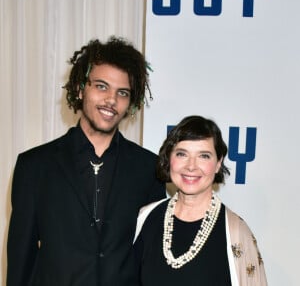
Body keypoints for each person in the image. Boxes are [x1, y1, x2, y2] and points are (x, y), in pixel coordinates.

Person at [7, 36, 165, 286]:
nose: (111, 100)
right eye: (101, 86)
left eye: (122, 92)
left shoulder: (149, 169)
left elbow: (153, 260)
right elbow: (20, 261)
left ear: (131, 103)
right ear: (80, 89)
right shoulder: (35, 166)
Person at [134, 115, 268, 286]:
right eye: (182, 154)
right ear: (169, 159)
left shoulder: (235, 231)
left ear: (218, 163)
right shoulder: (147, 218)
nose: (191, 166)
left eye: (204, 156)